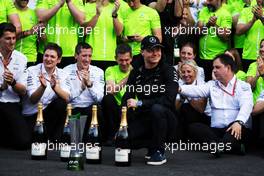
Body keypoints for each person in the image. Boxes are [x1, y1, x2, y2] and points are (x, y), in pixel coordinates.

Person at [179, 54, 253, 156]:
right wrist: (179, 89)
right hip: (216, 130)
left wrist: (239, 122)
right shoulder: (211, 85)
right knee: (194, 128)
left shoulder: (243, 86)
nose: (214, 70)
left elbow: (247, 106)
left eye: (217, 67)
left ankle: (217, 146)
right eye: (213, 67)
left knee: (232, 134)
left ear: (228, 68)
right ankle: (230, 147)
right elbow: (196, 90)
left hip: (236, 127)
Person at [121, 35, 178, 165]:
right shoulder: (136, 72)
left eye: (158, 49)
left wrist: (141, 103)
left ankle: (159, 150)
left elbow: (169, 100)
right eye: (151, 50)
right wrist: (122, 125)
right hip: (144, 116)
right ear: (142, 52)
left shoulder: (169, 70)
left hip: (167, 119)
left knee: (156, 109)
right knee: (124, 140)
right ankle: (151, 147)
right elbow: (127, 98)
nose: (155, 53)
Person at [23, 43, 71, 142]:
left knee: (61, 103)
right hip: (32, 114)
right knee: (25, 142)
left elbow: (67, 97)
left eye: (52, 57)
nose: (48, 59)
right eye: (46, 55)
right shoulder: (31, 70)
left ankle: (55, 140)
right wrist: (42, 87)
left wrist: (55, 88)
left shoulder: (63, 73)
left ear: (59, 60)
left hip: (49, 114)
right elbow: (32, 99)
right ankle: (43, 138)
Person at [63, 42, 105, 141]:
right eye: (84, 56)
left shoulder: (98, 71)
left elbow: (99, 98)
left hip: (90, 109)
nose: (87, 59)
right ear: (76, 56)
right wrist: (81, 88)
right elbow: (66, 98)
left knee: (96, 111)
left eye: (89, 56)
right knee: (74, 140)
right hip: (73, 108)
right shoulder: (66, 71)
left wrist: (90, 85)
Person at [0, 22, 29, 150]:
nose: (12, 42)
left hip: (11, 103)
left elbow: (23, 90)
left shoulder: (21, 58)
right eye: (7, 38)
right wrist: (2, 86)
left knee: (23, 142)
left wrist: (12, 82)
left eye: (14, 38)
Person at [36, 0, 85, 67]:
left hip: (69, 53)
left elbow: (81, 19)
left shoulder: (77, 1)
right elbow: (41, 17)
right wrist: (59, 3)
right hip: (47, 52)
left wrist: (69, 2)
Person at [82, 0, 125, 71]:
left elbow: (119, 32)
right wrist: (97, 14)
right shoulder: (88, 7)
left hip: (111, 57)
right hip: (92, 57)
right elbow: (85, 31)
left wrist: (114, 14)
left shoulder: (115, 7)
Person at [102, 43, 133, 142]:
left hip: (131, 106)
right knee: (107, 99)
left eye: (127, 60)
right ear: (116, 59)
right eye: (121, 60)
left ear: (131, 58)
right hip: (116, 107)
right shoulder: (110, 70)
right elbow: (111, 90)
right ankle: (111, 136)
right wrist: (130, 76)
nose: (124, 63)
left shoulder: (139, 70)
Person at [197, 0, 232, 81]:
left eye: (210, 0)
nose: (208, 2)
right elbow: (198, 31)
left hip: (217, 59)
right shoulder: (203, 11)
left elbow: (225, 35)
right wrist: (208, 25)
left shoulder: (225, 14)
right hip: (202, 58)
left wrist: (214, 25)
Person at [175, 60, 210, 139]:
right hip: (186, 117)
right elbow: (175, 109)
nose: (186, 75)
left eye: (189, 71)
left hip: (204, 117)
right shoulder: (180, 83)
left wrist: (186, 94)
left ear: (195, 72)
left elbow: (201, 109)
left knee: (186, 108)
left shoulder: (202, 84)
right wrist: (180, 100)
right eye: (183, 72)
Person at [14, 0, 45, 66]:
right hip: (13, 58)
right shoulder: (11, 13)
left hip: (31, 59)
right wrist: (29, 32)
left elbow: (42, 38)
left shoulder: (34, 13)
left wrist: (41, 32)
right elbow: (6, 38)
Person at [236, 0, 264, 71]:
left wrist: (261, 17)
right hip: (249, 55)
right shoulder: (246, 11)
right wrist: (252, 21)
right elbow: (238, 31)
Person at [246, 39, 264, 104]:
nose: (262, 49)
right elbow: (248, 88)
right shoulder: (253, 65)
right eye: (261, 46)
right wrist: (256, 76)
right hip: (254, 105)